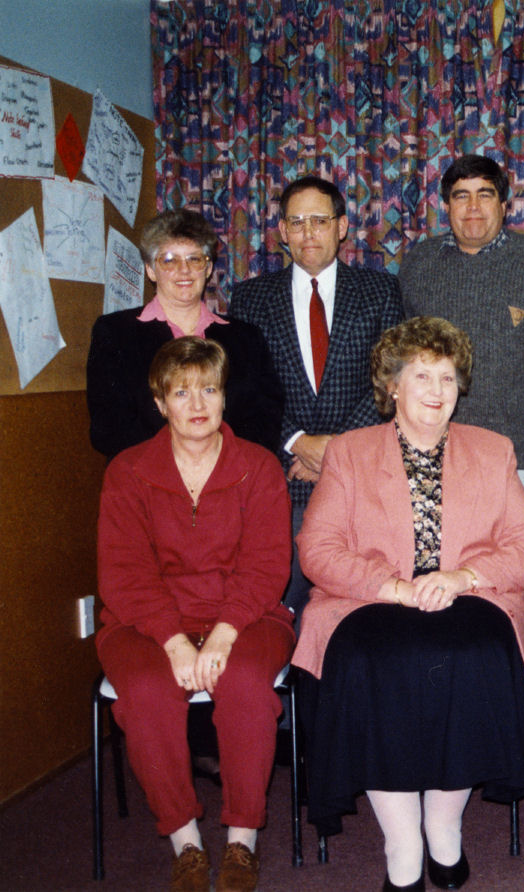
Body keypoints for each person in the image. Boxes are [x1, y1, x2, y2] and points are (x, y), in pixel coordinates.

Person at [292, 317, 524, 892]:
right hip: (371, 601)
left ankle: (444, 825)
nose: (437, 391)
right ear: (392, 387)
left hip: (470, 597)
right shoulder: (350, 454)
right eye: (422, 376)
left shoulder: (493, 450)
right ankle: (402, 842)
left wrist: (462, 576)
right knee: (369, 662)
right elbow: (318, 549)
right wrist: (394, 587)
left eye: (449, 379)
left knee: (478, 653)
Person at [96, 337, 293, 892]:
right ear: (160, 403)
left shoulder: (258, 467)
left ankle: (240, 840)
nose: (198, 403)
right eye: (181, 392)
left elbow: (266, 564)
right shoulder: (128, 472)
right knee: (145, 690)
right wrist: (174, 641)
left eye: (209, 388)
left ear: (225, 396)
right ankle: (185, 842)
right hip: (145, 623)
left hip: (247, 616)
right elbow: (124, 573)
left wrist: (225, 635)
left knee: (249, 684)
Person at [229, 175, 404, 616]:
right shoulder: (250, 299)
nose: (309, 233)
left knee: (360, 611)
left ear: (342, 227)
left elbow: (390, 381)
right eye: (297, 222)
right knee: (283, 608)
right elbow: (245, 388)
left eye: (320, 221)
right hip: (285, 479)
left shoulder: (379, 291)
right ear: (282, 231)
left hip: (362, 480)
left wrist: (335, 450)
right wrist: (298, 443)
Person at [399, 153, 524, 619]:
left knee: (519, 582)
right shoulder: (419, 265)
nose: (473, 208)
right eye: (460, 197)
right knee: (436, 581)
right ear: (445, 206)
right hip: (434, 453)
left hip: (523, 454)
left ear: (505, 205)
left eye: (485, 195)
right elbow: (405, 360)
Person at [87, 209, 282, 458]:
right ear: (150, 269)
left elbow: (266, 418)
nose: (184, 270)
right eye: (169, 260)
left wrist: (217, 464)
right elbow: (108, 428)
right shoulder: (115, 333)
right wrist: (183, 465)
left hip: (231, 478)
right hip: (149, 481)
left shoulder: (246, 337)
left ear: (208, 267)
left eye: (194, 259)